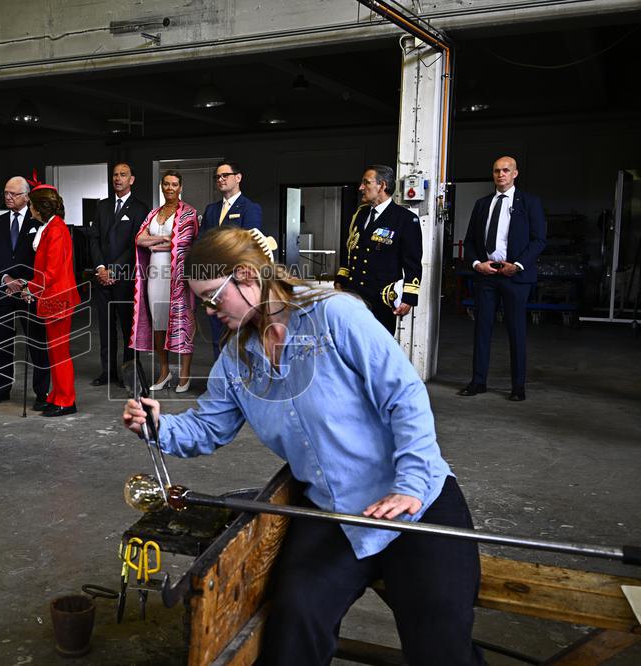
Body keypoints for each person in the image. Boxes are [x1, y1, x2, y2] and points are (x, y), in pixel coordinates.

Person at [122, 225, 482, 666]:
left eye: (215, 298)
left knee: (440, 644)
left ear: (247, 277)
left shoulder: (334, 315)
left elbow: (404, 396)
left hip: (415, 504)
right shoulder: (237, 357)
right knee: (294, 625)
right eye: (203, 303)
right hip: (333, 511)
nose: (211, 312)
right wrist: (159, 426)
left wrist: (409, 482)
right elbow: (208, 427)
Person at [460, 156, 546, 402]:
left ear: (515, 173)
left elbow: (539, 240)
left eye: (506, 170)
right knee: (482, 330)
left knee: (516, 331)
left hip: (515, 277)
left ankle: (518, 386)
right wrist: (478, 264)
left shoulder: (529, 203)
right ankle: (478, 382)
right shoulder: (482, 204)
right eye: (497, 171)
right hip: (486, 276)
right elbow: (470, 241)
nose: (501, 175)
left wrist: (517, 265)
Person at [0, 176, 51, 410]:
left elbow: (43, 260)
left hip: (29, 293)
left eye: (13, 194)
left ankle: (42, 393)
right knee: (3, 343)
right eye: (5, 193)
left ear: (26, 196)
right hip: (4, 293)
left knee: (37, 343)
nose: (8, 197)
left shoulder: (39, 223)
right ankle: (2, 388)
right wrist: (5, 278)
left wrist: (27, 283)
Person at [334, 164, 422, 335]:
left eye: (366, 183)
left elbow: (412, 263)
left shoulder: (405, 219)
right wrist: (341, 279)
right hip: (353, 295)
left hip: (380, 300)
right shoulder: (360, 214)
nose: (361, 188)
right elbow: (350, 250)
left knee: (377, 351)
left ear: (382, 186)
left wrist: (409, 298)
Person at [131, 171, 198, 392]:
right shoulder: (153, 213)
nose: (170, 188)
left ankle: (185, 374)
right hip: (154, 275)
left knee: (182, 321)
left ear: (180, 188)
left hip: (178, 276)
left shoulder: (189, 213)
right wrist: (162, 240)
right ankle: (164, 371)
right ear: (161, 186)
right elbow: (139, 239)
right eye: (166, 184)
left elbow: (183, 243)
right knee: (158, 322)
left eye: (174, 184)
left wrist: (155, 243)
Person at [86, 162, 150, 387]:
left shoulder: (140, 208)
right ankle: (108, 372)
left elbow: (136, 243)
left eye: (123, 175)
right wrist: (101, 268)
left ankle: (129, 375)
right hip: (102, 277)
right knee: (105, 329)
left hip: (125, 278)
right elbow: (93, 239)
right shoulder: (102, 206)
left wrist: (114, 269)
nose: (118, 178)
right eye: (115, 175)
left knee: (127, 329)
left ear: (131, 180)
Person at [23, 181, 81, 417]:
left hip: (57, 297)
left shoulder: (55, 229)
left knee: (59, 352)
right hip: (52, 296)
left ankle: (66, 400)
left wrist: (30, 288)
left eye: (31, 205)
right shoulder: (52, 226)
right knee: (54, 351)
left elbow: (53, 270)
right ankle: (57, 396)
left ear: (39, 207)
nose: (29, 209)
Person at [200, 160, 262, 357]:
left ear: (238, 177)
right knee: (217, 337)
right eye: (217, 177)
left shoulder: (250, 208)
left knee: (238, 337)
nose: (220, 179)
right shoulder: (211, 209)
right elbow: (201, 242)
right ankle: (219, 384)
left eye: (225, 175)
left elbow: (248, 247)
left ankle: (240, 384)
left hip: (237, 283)